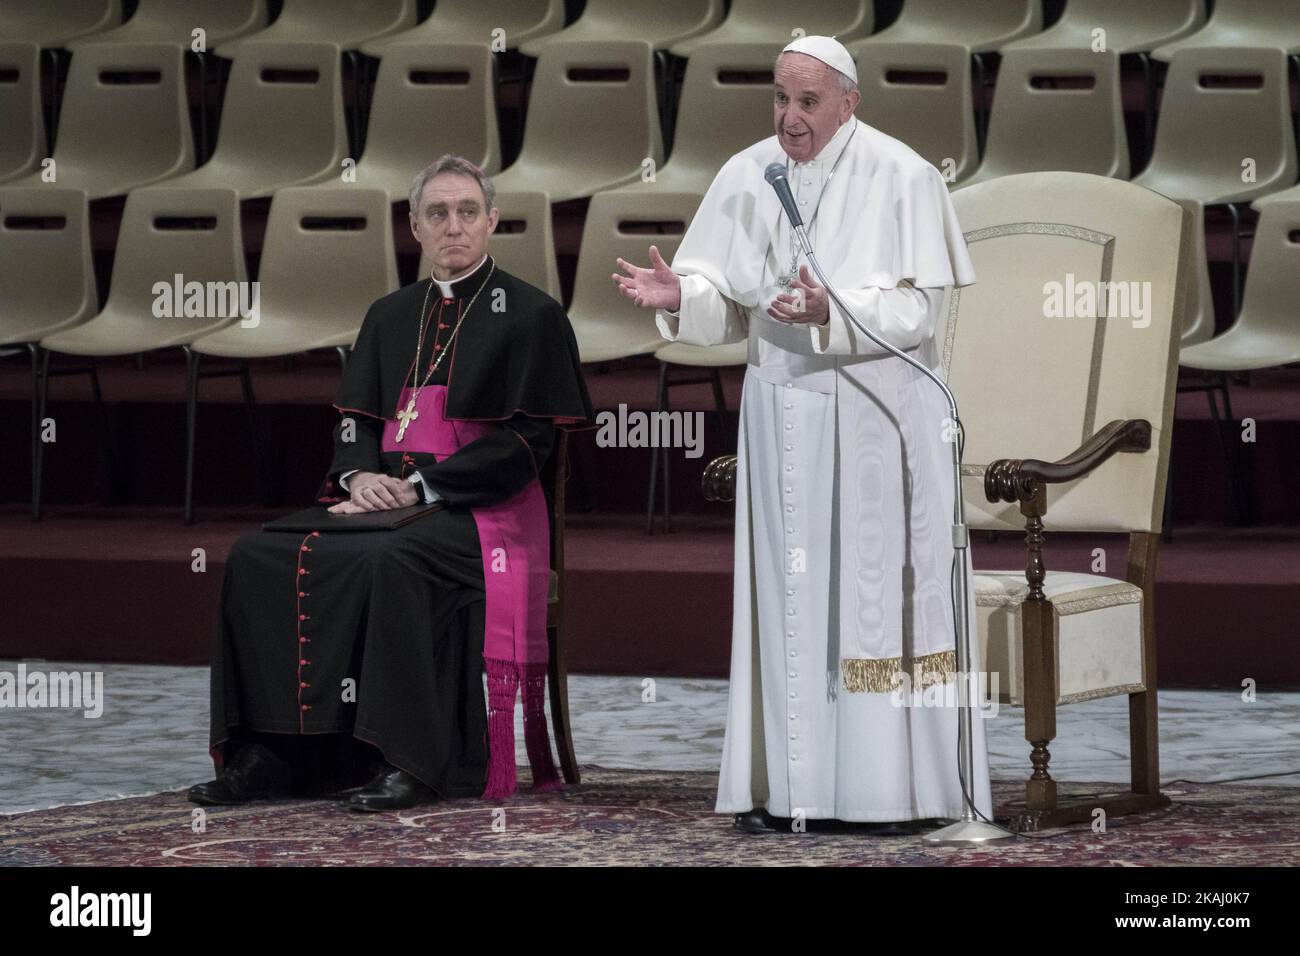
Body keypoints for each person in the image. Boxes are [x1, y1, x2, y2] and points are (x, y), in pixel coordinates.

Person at [613, 36, 993, 833]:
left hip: (875, 417)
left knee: (874, 605)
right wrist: (682, 290)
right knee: (791, 603)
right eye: (780, 99)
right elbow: (724, 290)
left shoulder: (905, 175)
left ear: (849, 103)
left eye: (807, 102)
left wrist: (834, 310)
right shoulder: (749, 173)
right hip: (783, 411)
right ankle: (793, 790)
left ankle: (896, 792)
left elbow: (919, 312)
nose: (789, 117)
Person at [190, 155, 593, 812]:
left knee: (388, 560)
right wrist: (360, 474)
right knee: (258, 553)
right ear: (414, 226)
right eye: (438, 214)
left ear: (492, 222)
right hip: (381, 502)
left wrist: (423, 488)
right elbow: (354, 421)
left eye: (468, 212)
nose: (453, 227)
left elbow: (529, 444)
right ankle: (270, 754)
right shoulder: (389, 315)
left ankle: (406, 759)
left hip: (484, 516)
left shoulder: (531, 316)